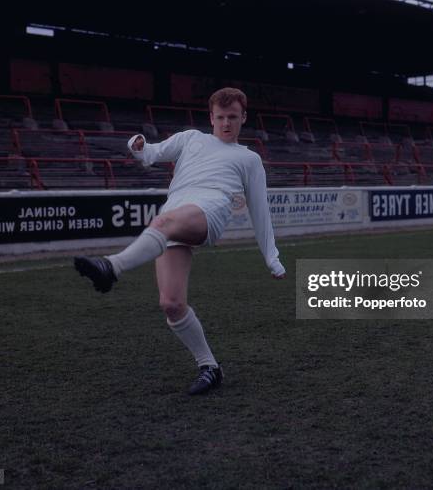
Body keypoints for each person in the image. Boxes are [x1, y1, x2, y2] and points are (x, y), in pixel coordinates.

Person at [74, 87, 285, 395]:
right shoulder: (191, 138)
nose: (227, 123)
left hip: (210, 209)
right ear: (211, 117)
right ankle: (210, 367)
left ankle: (111, 267)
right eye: (221, 117)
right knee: (171, 303)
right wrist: (137, 144)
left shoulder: (249, 158)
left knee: (160, 222)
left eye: (233, 117)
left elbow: (259, 208)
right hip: (173, 214)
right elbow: (151, 154)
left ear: (244, 118)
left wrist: (272, 257)